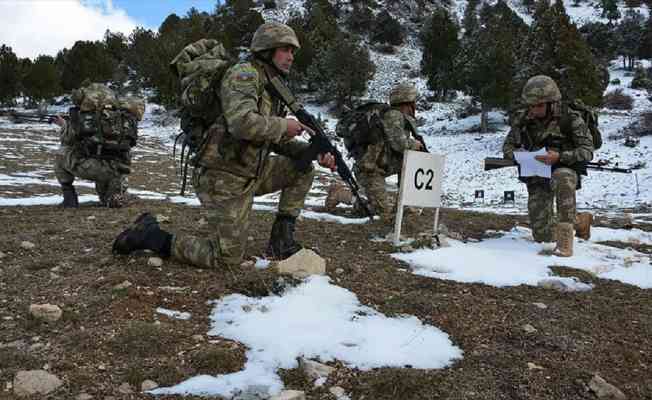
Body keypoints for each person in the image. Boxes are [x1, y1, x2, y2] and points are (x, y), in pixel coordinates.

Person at [113, 22, 336, 267]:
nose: (291, 57)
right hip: (222, 177)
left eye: (293, 51)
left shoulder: (271, 85)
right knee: (226, 258)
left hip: (249, 171)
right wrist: (284, 126)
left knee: (303, 168)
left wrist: (312, 153)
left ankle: (281, 241)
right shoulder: (244, 74)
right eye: (285, 49)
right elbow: (241, 123)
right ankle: (150, 235)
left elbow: (268, 136)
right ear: (266, 49)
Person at [502, 75, 594, 256]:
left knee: (562, 178)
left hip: (563, 168)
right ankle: (581, 221)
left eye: (539, 105)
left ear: (552, 103)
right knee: (543, 236)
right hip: (536, 172)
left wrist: (560, 156)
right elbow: (507, 146)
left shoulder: (570, 118)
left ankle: (565, 242)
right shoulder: (523, 120)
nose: (534, 109)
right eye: (531, 105)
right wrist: (522, 156)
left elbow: (587, 150)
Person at [328, 82, 424, 219]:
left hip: (381, 167)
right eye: (414, 101)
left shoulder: (395, 117)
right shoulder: (393, 116)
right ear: (409, 102)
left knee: (409, 162)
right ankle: (339, 193)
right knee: (381, 213)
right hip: (370, 170)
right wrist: (416, 145)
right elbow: (400, 144)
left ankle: (404, 205)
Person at [54, 83, 142, 208]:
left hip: (96, 168)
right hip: (120, 170)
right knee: (107, 201)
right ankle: (117, 195)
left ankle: (69, 198)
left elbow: (67, 140)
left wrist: (64, 125)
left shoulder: (85, 117)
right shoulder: (121, 117)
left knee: (61, 154)